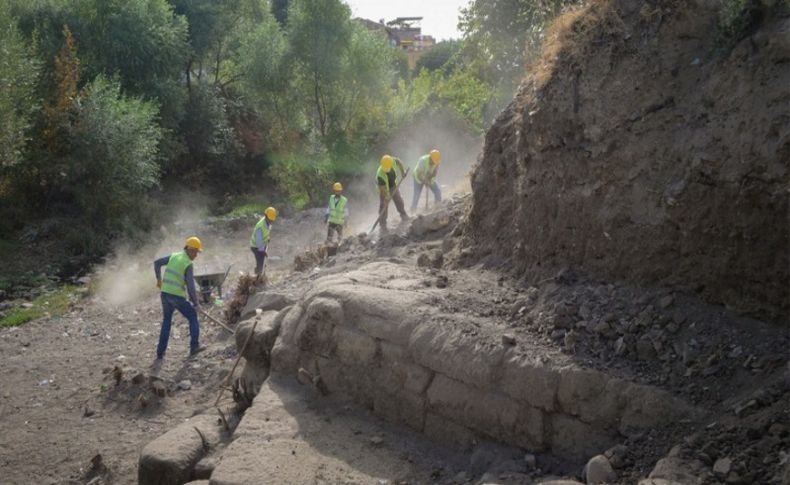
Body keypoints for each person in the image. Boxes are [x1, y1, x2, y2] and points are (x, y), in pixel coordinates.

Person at [153, 236, 204, 359]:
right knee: (192, 316)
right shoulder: (188, 263)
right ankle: (194, 347)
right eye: (196, 252)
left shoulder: (174, 256)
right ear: (190, 250)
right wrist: (196, 304)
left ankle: (160, 352)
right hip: (176, 296)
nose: (196, 255)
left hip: (165, 294)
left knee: (166, 321)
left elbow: (157, 263)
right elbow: (191, 286)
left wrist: (159, 280)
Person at [376, 155, 409, 233]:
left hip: (393, 185)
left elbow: (399, 162)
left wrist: (403, 171)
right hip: (383, 188)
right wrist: (387, 197)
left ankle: (403, 214)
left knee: (399, 200)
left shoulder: (392, 162)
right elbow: (383, 190)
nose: (386, 170)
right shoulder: (380, 175)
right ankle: (382, 224)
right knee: (383, 205)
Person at [250, 206, 277, 277]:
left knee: (261, 261)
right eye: (270, 220)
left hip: (261, 244)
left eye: (272, 220)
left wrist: (267, 237)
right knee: (260, 261)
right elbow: (259, 241)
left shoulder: (268, 223)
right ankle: (257, 276)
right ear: (266, 216)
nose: (271, 221)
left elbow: (266, 231)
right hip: (255, 246)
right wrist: (263, 251)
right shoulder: (260, 226)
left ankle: (258, 274)